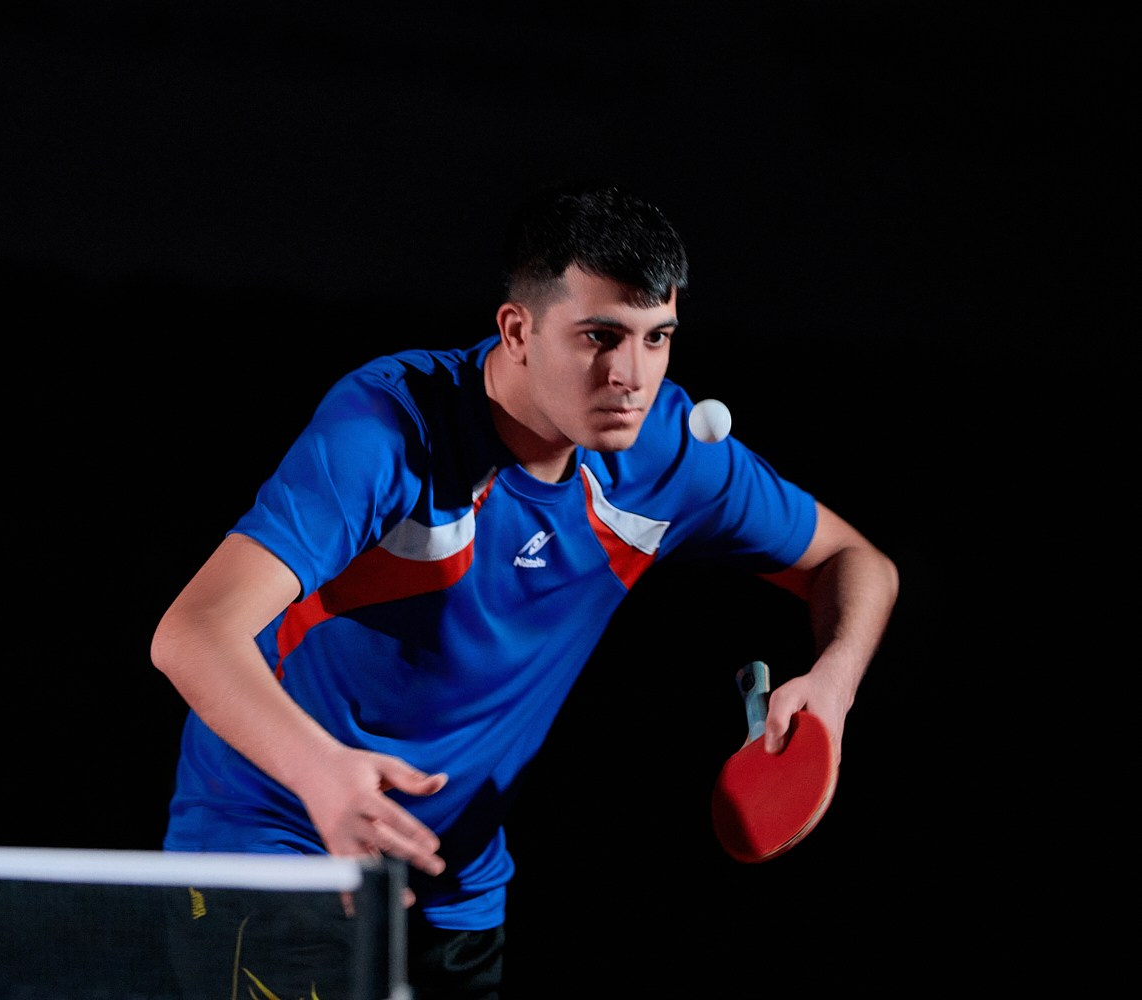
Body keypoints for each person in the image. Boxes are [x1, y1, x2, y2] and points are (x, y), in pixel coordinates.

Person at [151, 181, 899, 999]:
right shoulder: (388, 431)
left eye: (657, 338)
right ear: (517, 330)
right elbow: (193, 632)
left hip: (456, 883)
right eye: (599, 336)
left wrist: (834, 686)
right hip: (277, 845)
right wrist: (321, 775)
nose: (631, 376)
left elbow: (855, 560)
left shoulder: (669, 455)